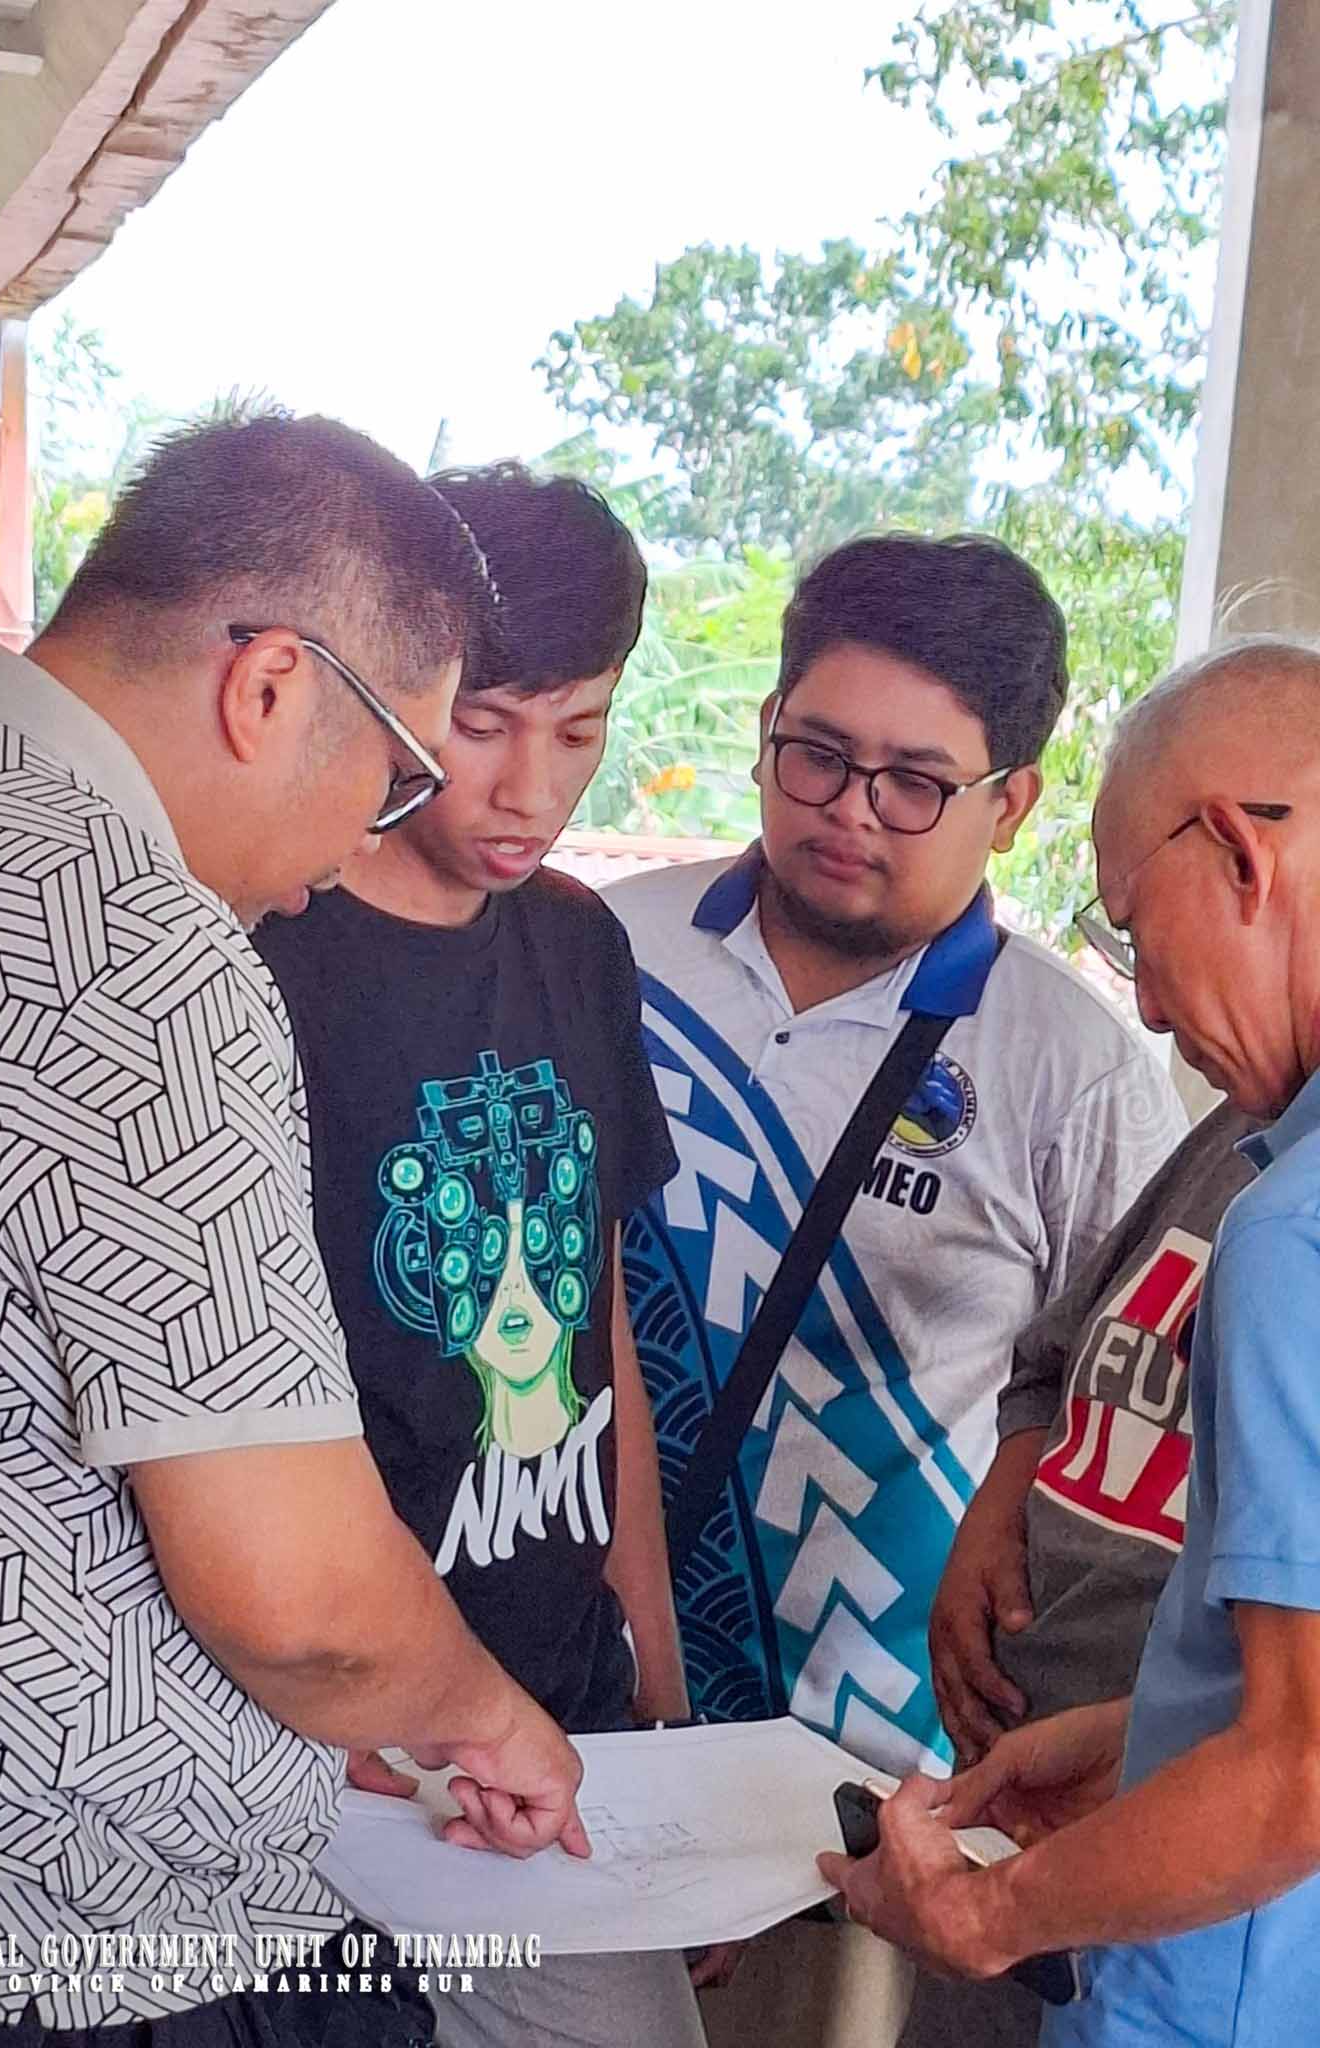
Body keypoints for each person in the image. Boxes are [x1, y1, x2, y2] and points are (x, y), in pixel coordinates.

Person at [0, 414, 590, 2048]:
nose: (362, 846)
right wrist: (484, 1714)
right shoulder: (139, 949)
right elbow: (299, 1601)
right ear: (272, 686)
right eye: (398, 773)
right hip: (28, 1954)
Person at [603, 532, 1186, 2048]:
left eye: (916, 782)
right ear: (766, 728)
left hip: (876, 1795)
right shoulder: (611, 956)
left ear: (1014, 802)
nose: (850, 811)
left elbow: (1120, 1408)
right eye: (816, 754)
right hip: (586, 1725)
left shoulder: (1071, 1070)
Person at [253, 462, 705, 2048]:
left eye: (579, 733)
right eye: (489, 725)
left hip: (550, 1721)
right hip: (326, 1748)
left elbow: (598, 1325)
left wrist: (653, 1675)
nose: (531, 790)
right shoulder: (264, 951)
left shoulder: (580, 946)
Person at [821, 636, 1320, 2048]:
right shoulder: (1258, 1157)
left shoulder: (1292, 1226)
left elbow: (1299, 1773)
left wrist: (988, 1914)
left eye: (1137, 935)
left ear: (1240, 854)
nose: (1147, 1003)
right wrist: (1148, 1736)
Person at [901, 1094, 1258, 2048]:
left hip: (1185, 1909)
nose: (1154, 1022)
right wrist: (998, 1510)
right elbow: (1058, 1359)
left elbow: (1292, 1754)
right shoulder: (1243, 1128)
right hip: (1024, 1807)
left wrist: (992, 1919)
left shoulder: (1287, 1224)